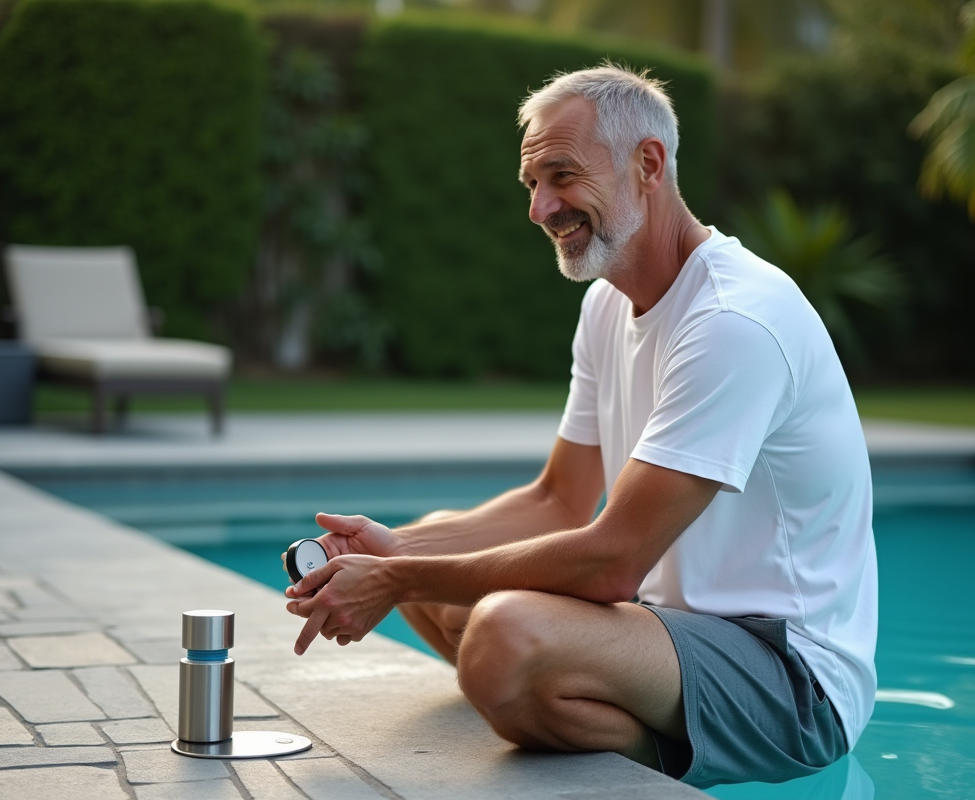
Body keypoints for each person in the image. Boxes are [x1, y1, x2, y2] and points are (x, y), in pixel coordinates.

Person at [284, 63, 877, 790]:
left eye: (561, 176)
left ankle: (618, 739)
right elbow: (557, 499)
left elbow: (613, 560)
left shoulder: (732, 321)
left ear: (648, 165)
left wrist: (396, 577)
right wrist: (397, 552)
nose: (540, 207)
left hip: (791, 680)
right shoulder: (607, 303)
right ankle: (563, 703)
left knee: (502, 630)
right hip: (668, 632)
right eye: (532, 184)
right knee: (443, 566)